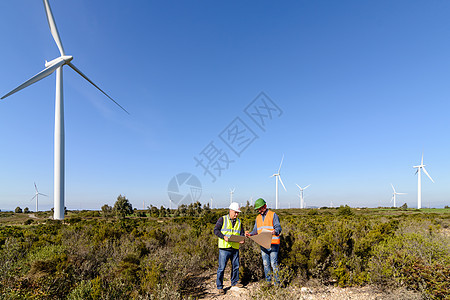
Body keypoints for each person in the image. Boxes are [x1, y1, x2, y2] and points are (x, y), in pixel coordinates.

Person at [245, 198, 282, 284]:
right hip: (263, 244)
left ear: (265, 206)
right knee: (265, 264)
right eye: (258, 209)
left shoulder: (273, 215)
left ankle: (277, 284)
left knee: (273, 263)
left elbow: (278, 228)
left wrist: (274, 231)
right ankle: (268, 283)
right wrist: (250, 234)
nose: (259, 211)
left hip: (273, 243)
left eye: (260, 208)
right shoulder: (257, 218)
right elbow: (255, 230)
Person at [214, 202, 245, 294]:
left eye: (238, 213)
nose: (236, 214)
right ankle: (220, 286)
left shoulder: (239, 222)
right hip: (224, 248)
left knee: (236, 266)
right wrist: (224, 237)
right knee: (222, 268)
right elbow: (216, 230)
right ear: (230, 211)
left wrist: (243, 239)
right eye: (235, 212)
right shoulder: (222, 219)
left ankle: (234, 282)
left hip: (235, 248)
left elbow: (242, 233)